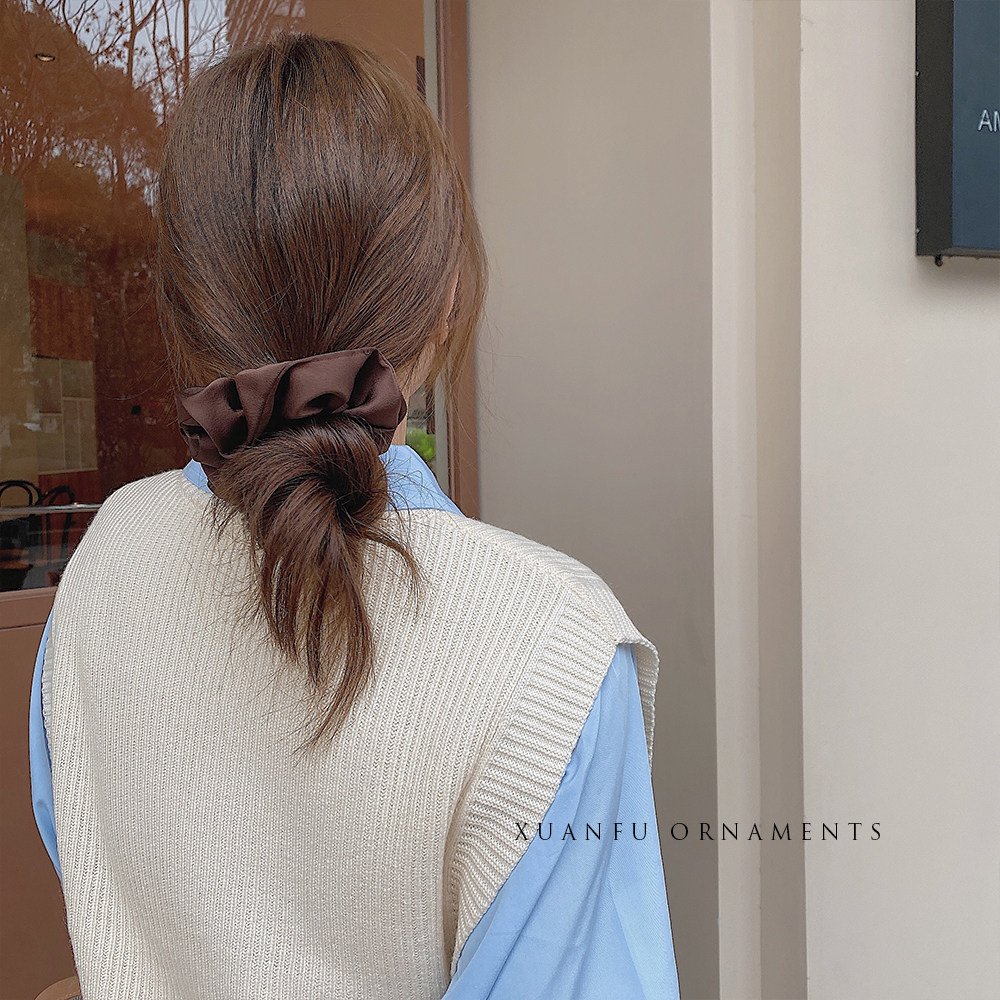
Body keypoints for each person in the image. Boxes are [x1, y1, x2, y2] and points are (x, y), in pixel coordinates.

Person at [28, 32, 680, 1000]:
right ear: (445, 298)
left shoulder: (107, 552)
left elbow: (95, 876)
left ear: (182, 310)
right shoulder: (553, 647)